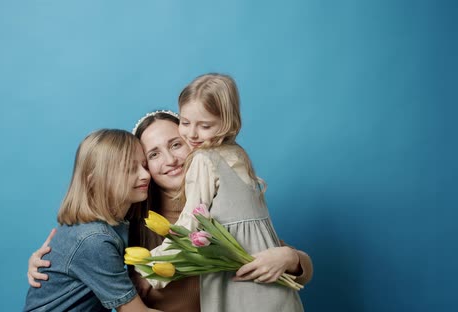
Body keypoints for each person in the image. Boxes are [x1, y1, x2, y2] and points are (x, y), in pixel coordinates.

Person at [28, 110, 313, 311]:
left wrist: (291, 259)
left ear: (193, 144)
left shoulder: (220, 199)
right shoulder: (134, 217)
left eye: (176, 145)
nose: (170, 160)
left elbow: (283, 259)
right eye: (153, 155)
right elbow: (84, 250)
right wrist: (44, 264)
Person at [140, 73, 306, 311]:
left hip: (242, 292)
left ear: (227, 123)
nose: (192, 134)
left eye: (204, 126)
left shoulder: (204, 160)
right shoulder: (237, 154)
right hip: (278, 297)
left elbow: (189, 225)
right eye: (185, 123)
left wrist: (150, 269)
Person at [23, 129, 160, 312]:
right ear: (94, 180)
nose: (145, 175)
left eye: (144, 165)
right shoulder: (94, 239)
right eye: (129, 169)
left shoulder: (116, 224)